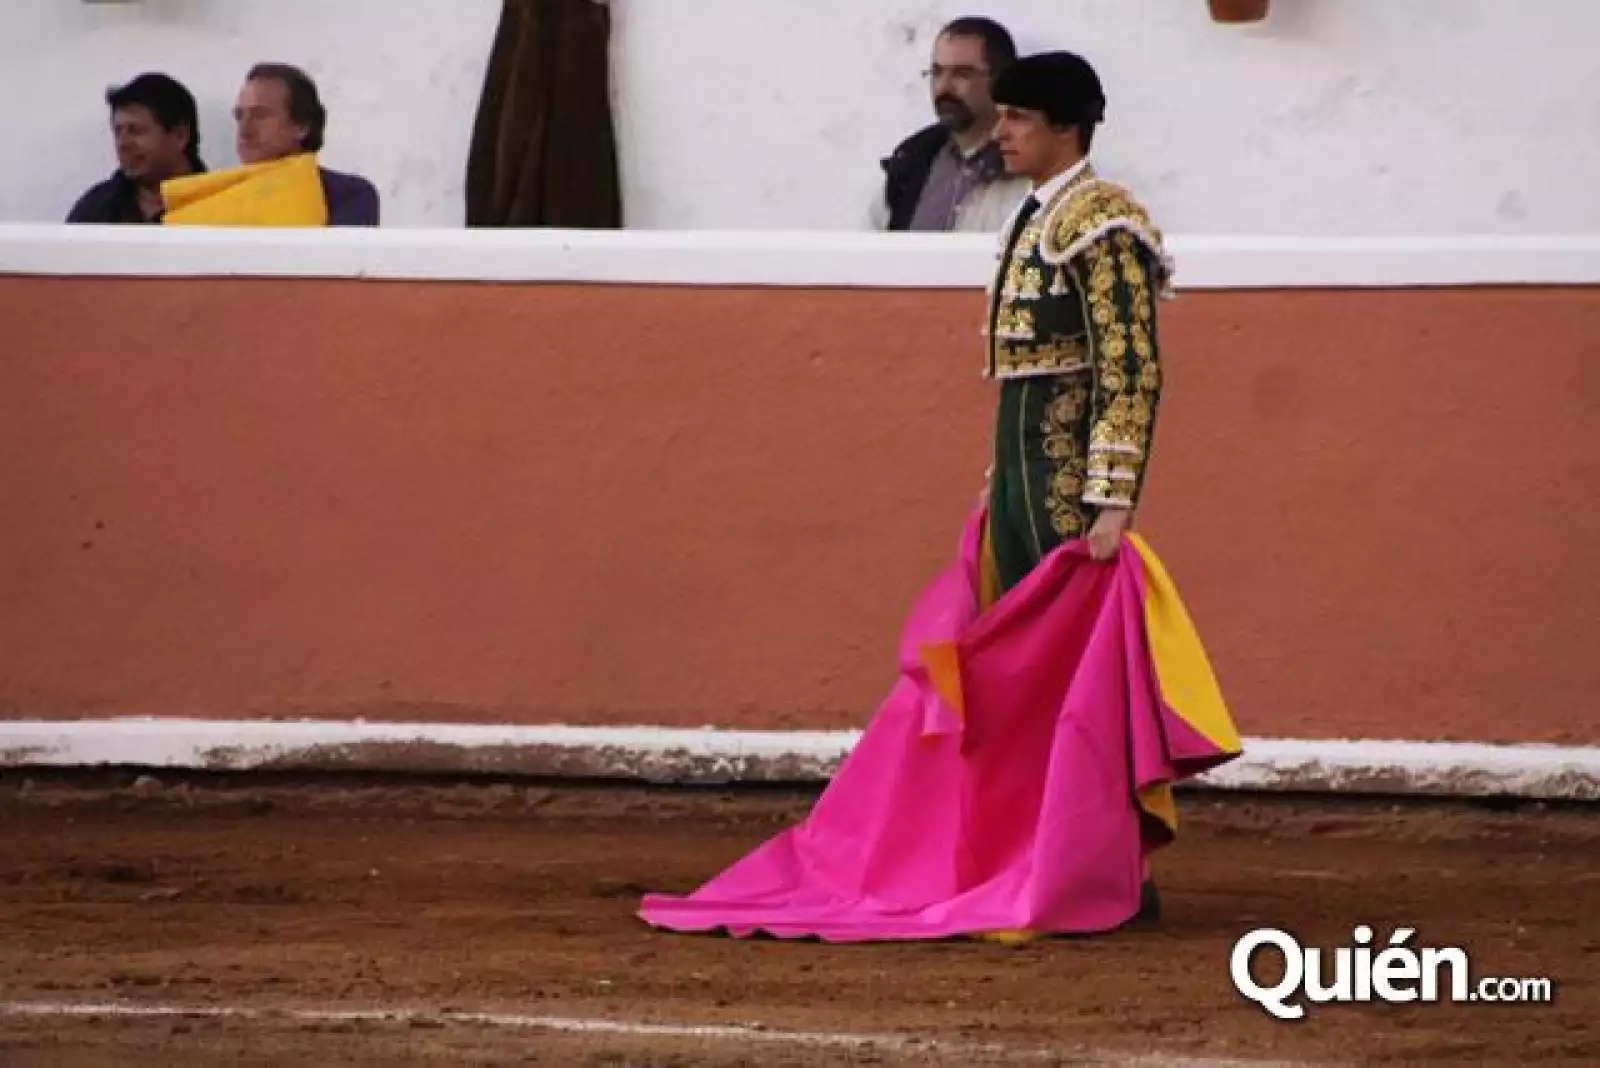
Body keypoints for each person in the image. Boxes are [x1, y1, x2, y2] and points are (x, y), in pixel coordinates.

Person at [638, 51, 1243, 945]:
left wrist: (1112, 499)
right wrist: (1002, 481)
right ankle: (1031, 853)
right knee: (1021, 687)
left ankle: (1099, 865)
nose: (1001, 131)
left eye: (1019, 118)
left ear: (1067, 127)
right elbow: (1033, 384)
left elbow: (1130, 369)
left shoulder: (1103, 223)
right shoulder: (1040, 216)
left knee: (1074, 688)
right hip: (1025, 484)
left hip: (1070, 496)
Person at [871, 17, 1031, 233]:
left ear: (1001, 79)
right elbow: (871, 245)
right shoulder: (913, 161)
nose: (944, 87)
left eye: (962, 74)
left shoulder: (1032, 165)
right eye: (937, 72)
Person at [231, 62, 379, 226]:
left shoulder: (346, 195)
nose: (244, 130)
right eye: (239, 116)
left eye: (260, 115)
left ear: (302, 126)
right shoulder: (219, 192)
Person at [67, 73, 205, 225]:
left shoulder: (214, 205)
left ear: (180, 136)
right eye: (118, 131)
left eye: (136, 130)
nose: (123, 143)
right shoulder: (95, 209)